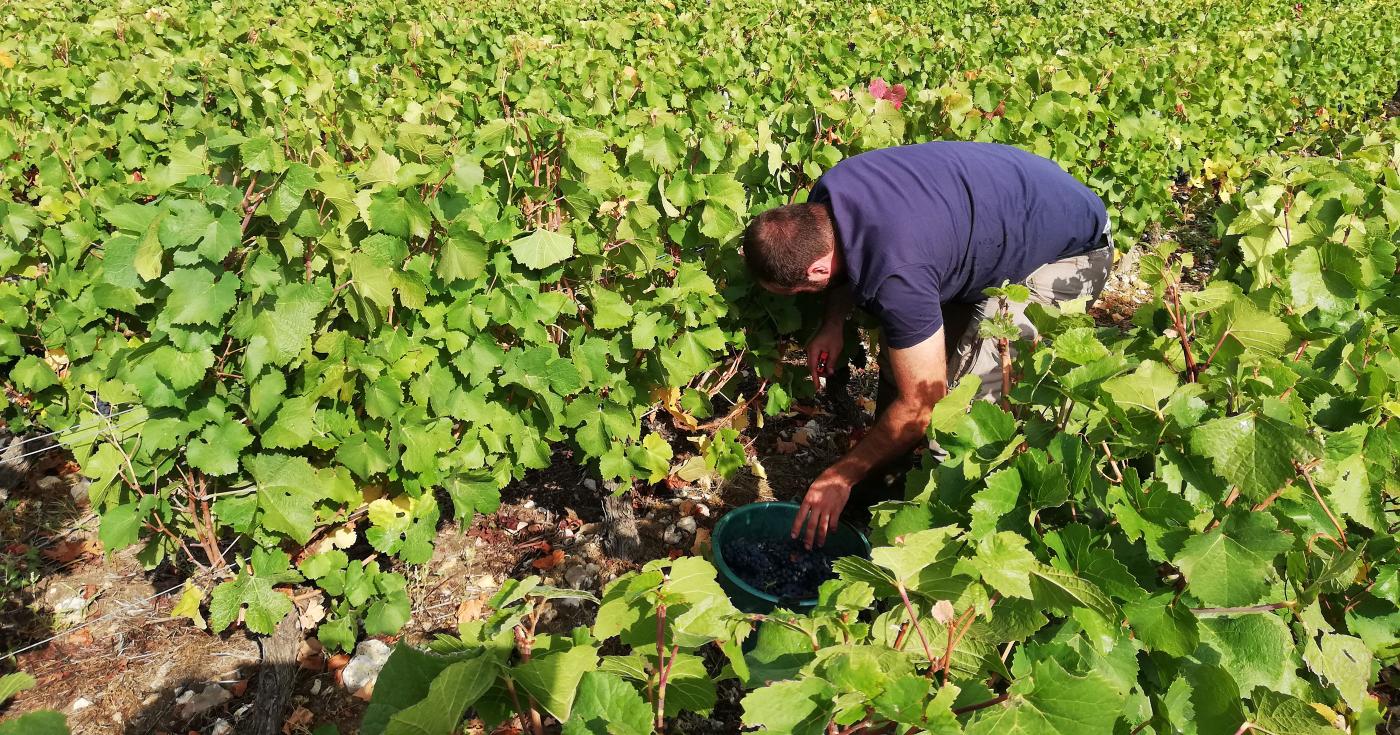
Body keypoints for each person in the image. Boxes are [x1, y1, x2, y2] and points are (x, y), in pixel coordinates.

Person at [742, 141, 1113, 548]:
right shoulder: (828, 197)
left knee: (962, 426)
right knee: (901, 361)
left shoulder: (898, 274)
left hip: (1067, 253)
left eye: (798, 292)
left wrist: (841, 474)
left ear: (815, 268)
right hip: (998, 215)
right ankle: (882, 486)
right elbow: (848, 262)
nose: (800, 297)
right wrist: (832, 321)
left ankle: (936, 552)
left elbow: (923, 403)